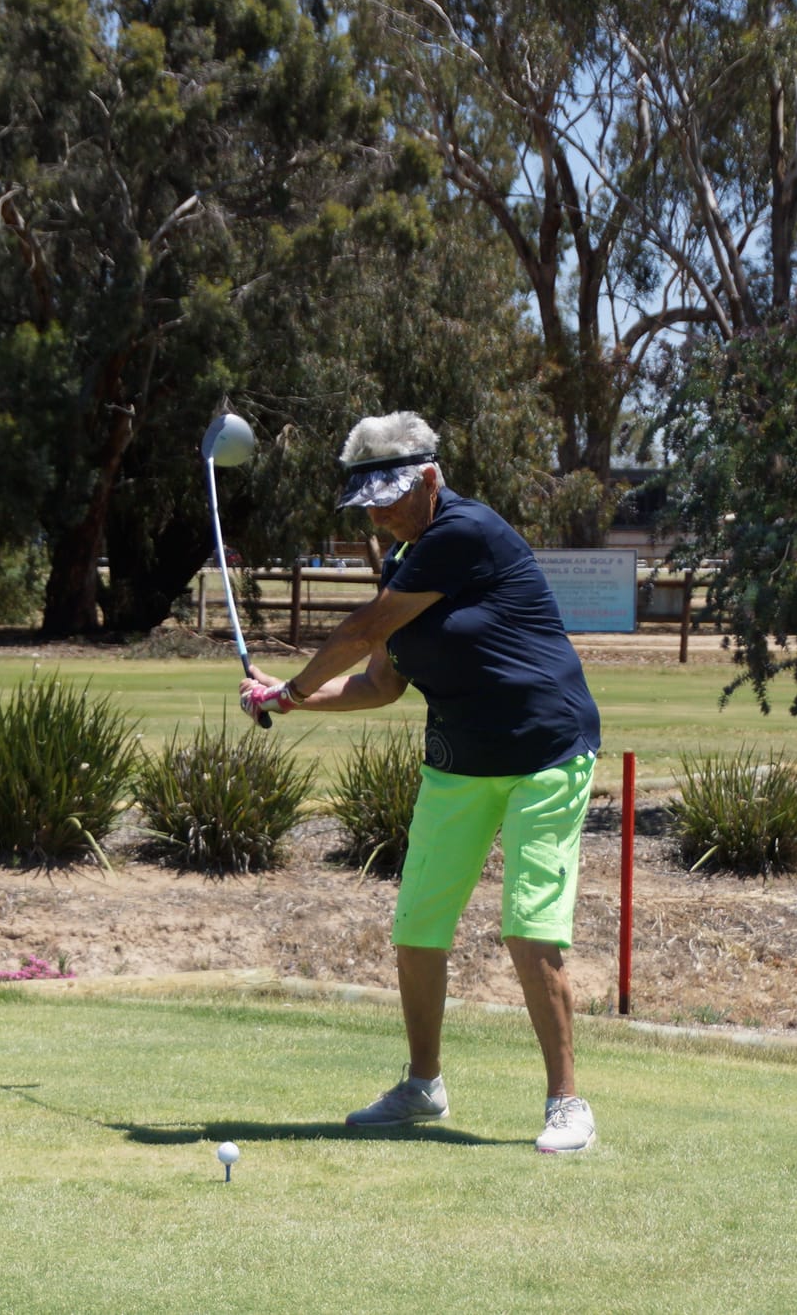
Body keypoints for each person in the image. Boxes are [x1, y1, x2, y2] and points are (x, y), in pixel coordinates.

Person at [240, 411, 602, 1153]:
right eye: (367, 503)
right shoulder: (403, 563)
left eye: (391, 497)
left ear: (431, 478)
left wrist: (301, 683)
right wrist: (290, 696)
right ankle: (422, 1086)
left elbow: (363, 632)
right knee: (417, 929)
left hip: (545, 753)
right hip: (459, 761)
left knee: (529, 929)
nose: (378, 514)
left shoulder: (465, 532)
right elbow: (380, 683)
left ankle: (567, 1102)